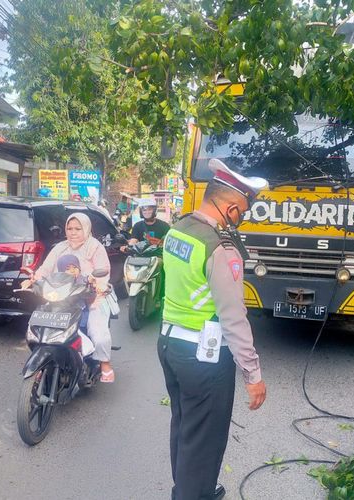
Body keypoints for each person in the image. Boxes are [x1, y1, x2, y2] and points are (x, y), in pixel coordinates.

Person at [158, 159, 268, 499]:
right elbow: (233, 317)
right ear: (231, 207)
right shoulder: (220, 247)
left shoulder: (179, 229)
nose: (242, 219)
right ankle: (194, 493)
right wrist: (253, 375)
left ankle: (193, 489)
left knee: (186, 428)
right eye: (244, 212)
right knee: (204, 440)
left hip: (171, 345)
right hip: (204, 357)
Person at [29, 213, 116, 383]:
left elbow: (103, 271)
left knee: (97, 332)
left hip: (92, 297)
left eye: (78, 228)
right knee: (40, 324)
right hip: (62, 296)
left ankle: (105, 363)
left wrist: (99, 285)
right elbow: (45, 269)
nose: (73, 232)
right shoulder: (60, 247)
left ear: (86, 228)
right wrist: (34, 279)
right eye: (69, 228)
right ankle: (42, 361)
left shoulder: (94, 247)